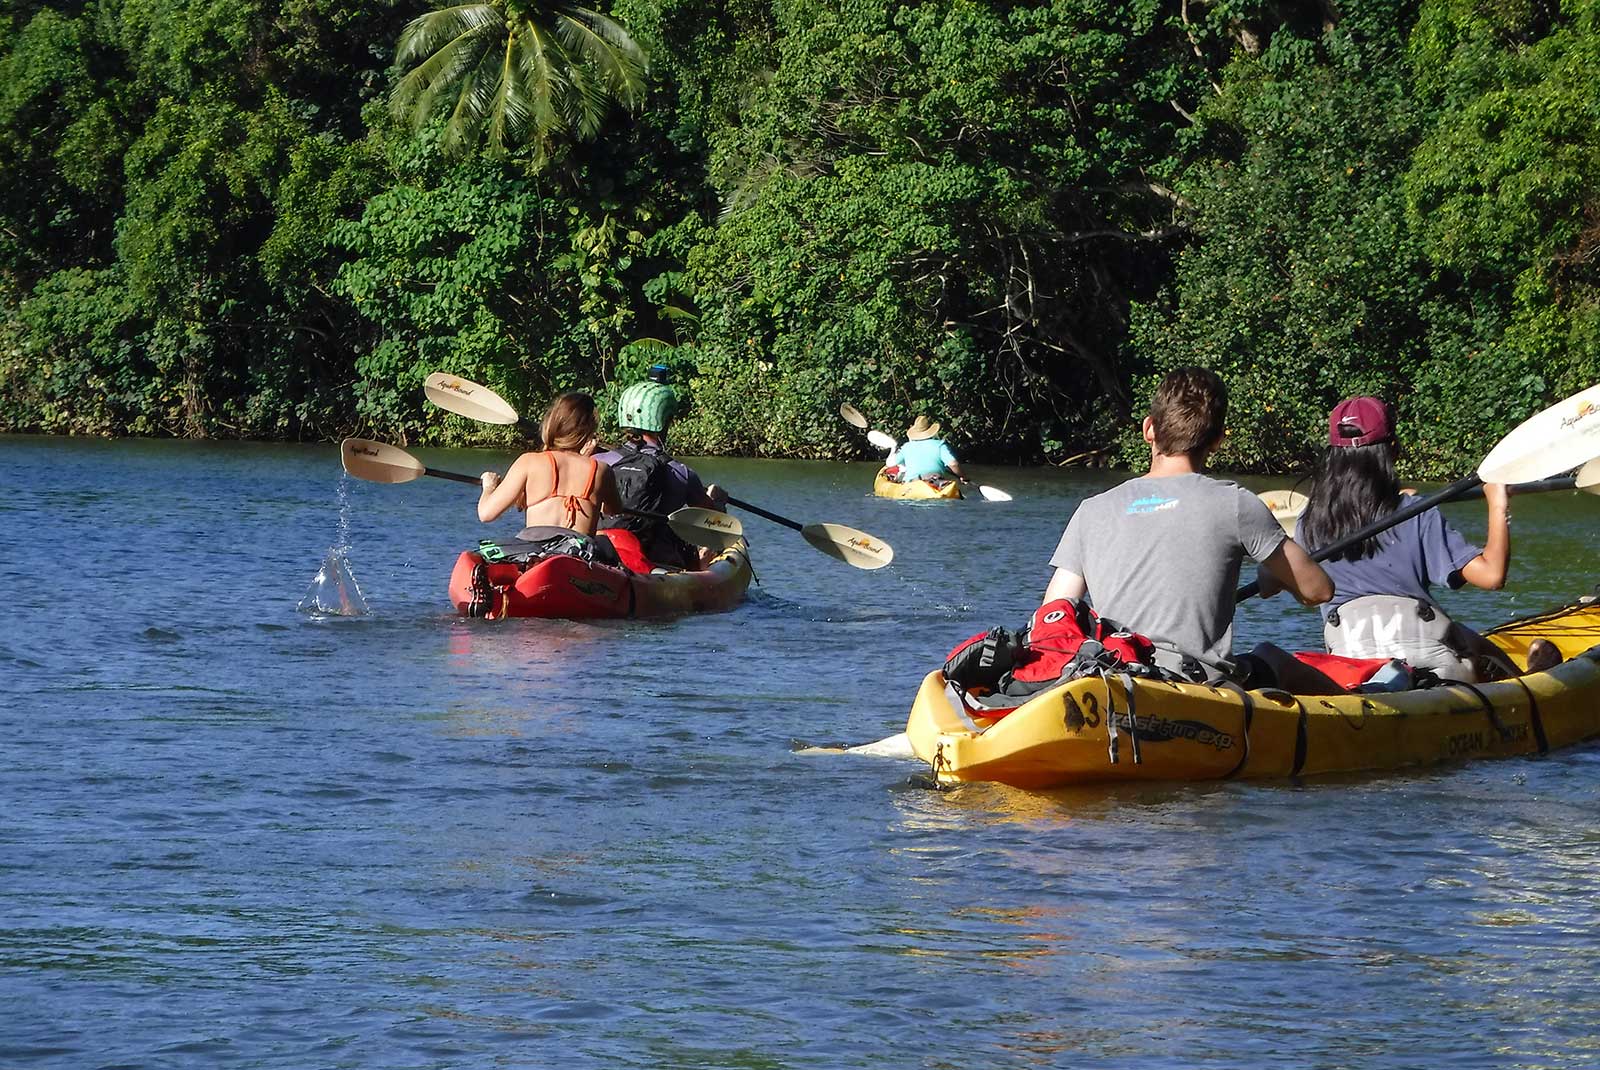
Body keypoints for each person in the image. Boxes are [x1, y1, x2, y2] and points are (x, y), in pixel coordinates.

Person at [1042, 367, 1336, 689]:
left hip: (1114, 674)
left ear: (1148, 429)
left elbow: (1054, 617)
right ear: (1218, 441)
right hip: (1195, 686)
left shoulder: (1091, 511)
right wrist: (1277, 577)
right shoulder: (1235, 504)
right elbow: (1318, 590)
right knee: (1272, 657)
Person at [1295, 396, 1560, 680]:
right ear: (1392, 451)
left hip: (1349, 668)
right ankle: (1530, 678)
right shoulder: (1416, 514)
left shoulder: (1306, 525)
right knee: (1468, 640)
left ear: (1332, 454)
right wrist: (1497, 504)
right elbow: (1492, 575)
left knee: (1466, 636)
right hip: (1431, 664)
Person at [594, 373, 728, 569]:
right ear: (665, 421)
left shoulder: (596, 463)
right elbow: (712, 522)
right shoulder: (681, 473)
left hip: (604, 556)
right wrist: (719, 503)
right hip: (660, 565)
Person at [476, 391, 623, 536]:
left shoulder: (529, 462)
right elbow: (613, 510)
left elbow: (486, 514)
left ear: (552, 423)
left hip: (537, 554)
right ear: (589, 431)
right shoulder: (601, 470)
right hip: (577, 555)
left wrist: (489, 487)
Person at [886, 416, 966, 484]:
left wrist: (894, 450)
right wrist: (962, 476)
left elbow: (893, 463)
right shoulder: (940, 445)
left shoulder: (906, 447)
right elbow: (953, 464)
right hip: (936, 482)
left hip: (912, 484)